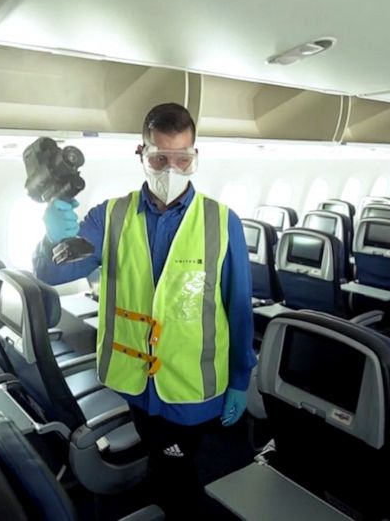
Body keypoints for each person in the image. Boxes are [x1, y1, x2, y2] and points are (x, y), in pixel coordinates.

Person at [33, 102, 256, 517]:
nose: (169, 170)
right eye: (159, 158)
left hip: (192, 387)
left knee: (180, 471)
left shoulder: (223, 222)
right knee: (163, 463)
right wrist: (51, 236)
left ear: (194, 159)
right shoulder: (109, 217)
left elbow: (238, 307)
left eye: (181, 159)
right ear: (141, 155)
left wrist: (242, 377)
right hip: (134, 382)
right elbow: (52, 271)